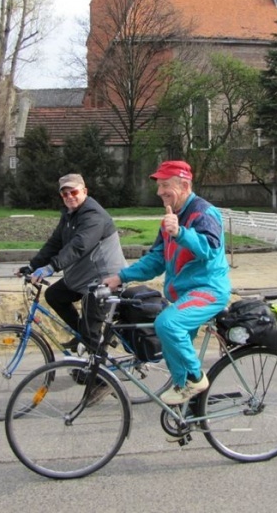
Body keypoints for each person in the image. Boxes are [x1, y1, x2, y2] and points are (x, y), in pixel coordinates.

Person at [103, 160, 231, 405]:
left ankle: (195, 379)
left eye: (165, 185)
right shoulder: (170, 219)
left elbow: (210, 249)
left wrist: (180, 233)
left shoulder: (203, 212)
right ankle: (190, 405)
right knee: (173, 347)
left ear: (184, 185)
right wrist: (121, 277)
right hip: (185, 295)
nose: (159, 191)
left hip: (208, 290)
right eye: (159, 186)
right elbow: (156, 259)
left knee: (168, 325)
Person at [19, 174, 126, 350]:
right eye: (65, 194)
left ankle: (95, 373)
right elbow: (55, 243)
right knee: (55, 295)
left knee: (91, 330)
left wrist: (52, 267)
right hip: (85, 275)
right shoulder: (70, 215)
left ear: (84, 191)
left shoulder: (94, 215)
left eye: (73, 192)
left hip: (105, 279)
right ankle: (82, 337)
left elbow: (79, 245)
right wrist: (33, 265)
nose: (69, 197)